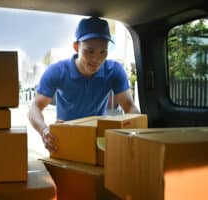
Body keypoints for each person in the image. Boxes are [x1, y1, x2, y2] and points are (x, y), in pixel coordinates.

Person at [28, 16, 140, 152]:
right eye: (90, 51)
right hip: (66, 136)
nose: (96, 59)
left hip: (98, 138)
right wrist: (44, 131)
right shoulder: (57, 71)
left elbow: (130, 108)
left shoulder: (114, 70)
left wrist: (133, 134)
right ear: (76, 47)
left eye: (103, 51)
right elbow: (35, 107)